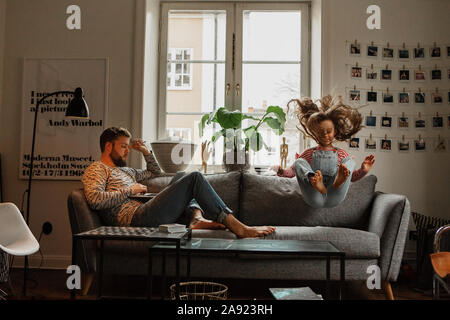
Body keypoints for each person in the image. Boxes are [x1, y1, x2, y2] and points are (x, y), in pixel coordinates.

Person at [82, 127, 275, 238]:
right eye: (123, 146)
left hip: (145, 208)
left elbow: (154, 171)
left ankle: (196, 219)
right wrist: (129, 190)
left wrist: (146, 151)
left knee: (182, 175)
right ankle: (238, 227)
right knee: (195, 178)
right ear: (108, 146)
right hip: (135, 217)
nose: (127, 151)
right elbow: (95, 200)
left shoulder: (126, 171)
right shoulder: (97, 169)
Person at [272, 95, 375, 208]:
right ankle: (314, 181)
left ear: (335, 131)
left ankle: (337, 181)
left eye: (329, 131)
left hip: (335, 194)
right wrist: (281, 171)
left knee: (349, 161)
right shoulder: (309, 153)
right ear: (315, 133)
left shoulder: (341, 154)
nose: (325, 135)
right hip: (314, 195)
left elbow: (353, 177)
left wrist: (363, 170)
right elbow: (293, 172)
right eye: (321, 132)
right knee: (298, 162)